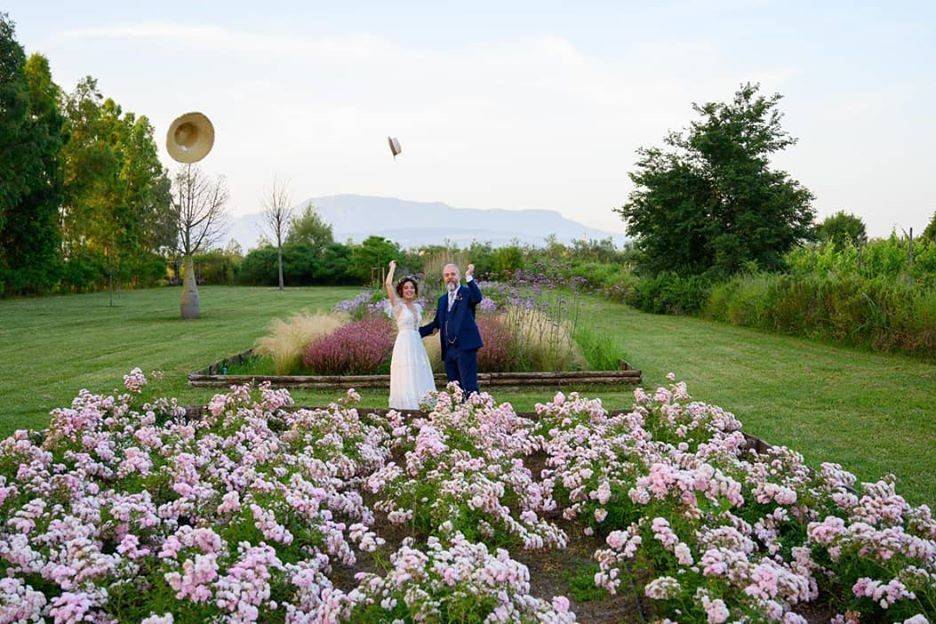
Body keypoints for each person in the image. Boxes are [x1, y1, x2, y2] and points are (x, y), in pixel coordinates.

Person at [419, 262, 483, 396]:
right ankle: (458, 415)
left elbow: (477, 298)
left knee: (469, 386)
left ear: (458, 276)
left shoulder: (467, 293)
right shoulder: (442, 300)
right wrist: (414, 333)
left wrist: (469, 277)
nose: (450, 277)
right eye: (446, 275)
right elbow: (437, 324)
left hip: (465, 347)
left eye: (453, 274)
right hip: (449, 350)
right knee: (454, 389)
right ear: (443, 278)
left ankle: (475, 414)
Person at [385, 260, 436, 410]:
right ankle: (406, 404)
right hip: (404, 343)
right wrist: (392, 268)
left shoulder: (418, 307)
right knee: (406, 370)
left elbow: (418, 328)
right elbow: (388, 285)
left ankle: (424, 403)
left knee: (419, 369)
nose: (409, 290)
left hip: (416, 343)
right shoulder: (398, 306)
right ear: (401, 290)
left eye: (412, 288)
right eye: (406, 288)